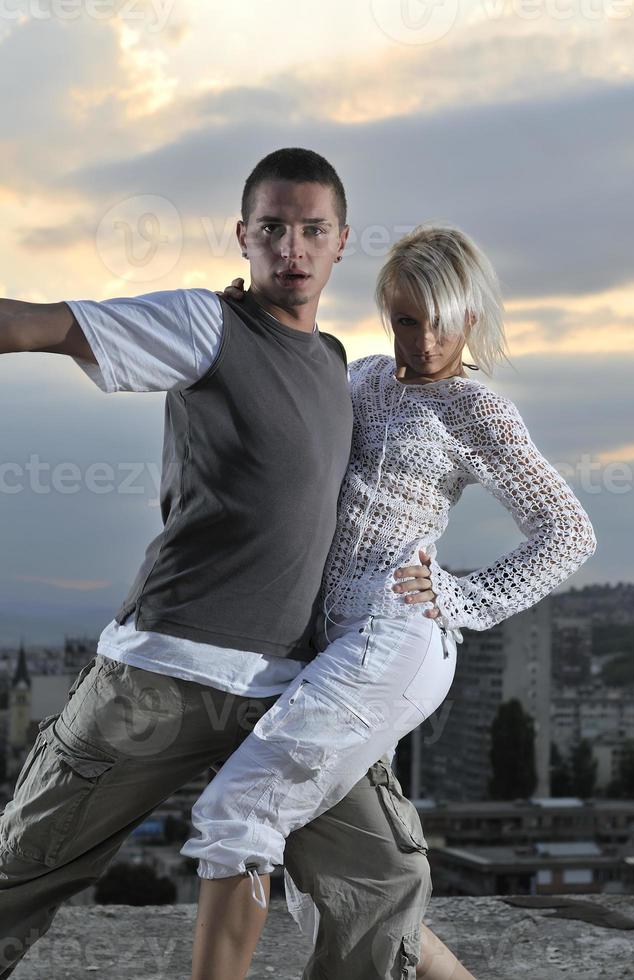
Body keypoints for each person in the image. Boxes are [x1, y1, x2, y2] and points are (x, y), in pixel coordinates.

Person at [0, 148, 446, 980]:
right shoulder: (204, 324)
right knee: (21, 871)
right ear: (244, 236)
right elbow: (39, 323)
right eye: (272, 229)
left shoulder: (336, 363)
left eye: (311, 230)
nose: (292, 249)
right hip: (159, 678)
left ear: (340, 240)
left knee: (381, 881)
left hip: (289, 695)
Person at [179, 223, 598, 980]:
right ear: (386, 315)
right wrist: (243, 325)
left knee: (235, 811)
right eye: (407, 318)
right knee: (335, 868)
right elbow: (287, 411)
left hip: (394, 639)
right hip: (330, 640)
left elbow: (567, 532)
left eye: (441, 319)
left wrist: (461, 594)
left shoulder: (477, 411)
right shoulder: (363, 377)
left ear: (469, 317)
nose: (424, 340)